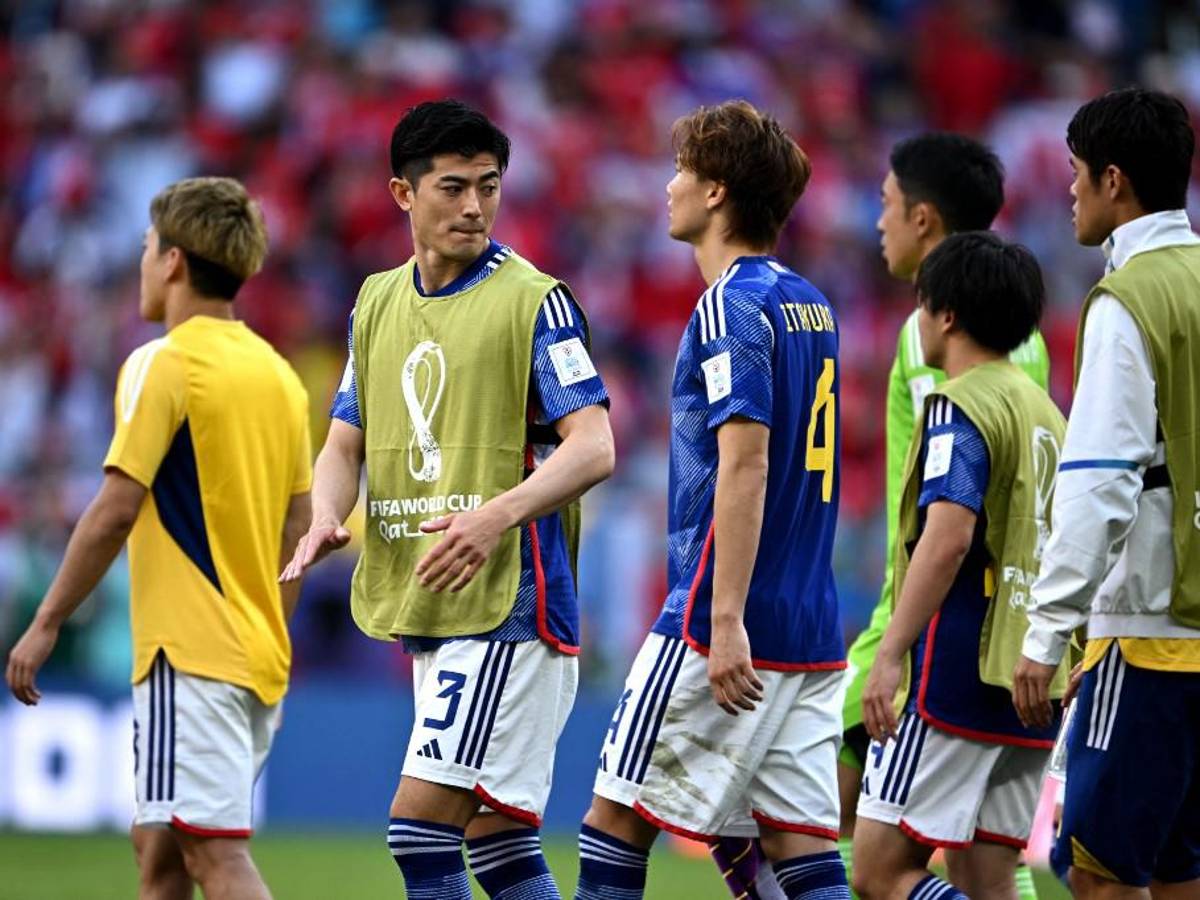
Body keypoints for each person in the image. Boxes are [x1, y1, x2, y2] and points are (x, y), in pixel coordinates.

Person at [280, 99, 614, 900]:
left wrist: (493, 515)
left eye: (489, 187)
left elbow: (595, 445)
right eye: (453, 187)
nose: (474, 206)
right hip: (429, 601)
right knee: (499, 849)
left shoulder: (536, 302)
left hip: (509, 604)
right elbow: (344, 441)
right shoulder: (375, 302)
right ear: (403, 194)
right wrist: (330, 512)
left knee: (420, 834)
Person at [6, 176, 312, 900]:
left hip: (190, 651)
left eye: (147, 248)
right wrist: (268, 625)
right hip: (254, 654)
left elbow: (115, 506)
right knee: (161, 856)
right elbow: (301, 531)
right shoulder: (280, 377)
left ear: (173, 260)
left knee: (214, 857)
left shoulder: (162, 362)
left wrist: (44, 622)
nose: (143, 263)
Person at [575, 99, 850, 900]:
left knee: (614, 824)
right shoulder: (813, 303)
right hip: (811, 622)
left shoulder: (730, 305)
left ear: (718, 192)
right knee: (798, 849)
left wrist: (723, 619)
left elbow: (747, 462)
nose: (668, 187)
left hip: (720, 617)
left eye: (682, 171)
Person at [839, 132, 1049, 899]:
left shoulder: (955, 385)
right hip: (1025, 643)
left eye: (887, 206)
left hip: (946, 634)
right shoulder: (1036, 385)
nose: (877, 222)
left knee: (863, 860)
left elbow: (952, 526)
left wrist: (895, 647)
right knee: (987, 865)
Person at [1013, 87, 1200, 900]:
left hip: (1145, 627)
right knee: (1178, 869)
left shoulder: (1128, 299)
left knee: (1100, 874)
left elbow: (1101, 480)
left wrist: (1048, 629)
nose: (1070, 191)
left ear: (1114, 181)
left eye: (1076, 173)